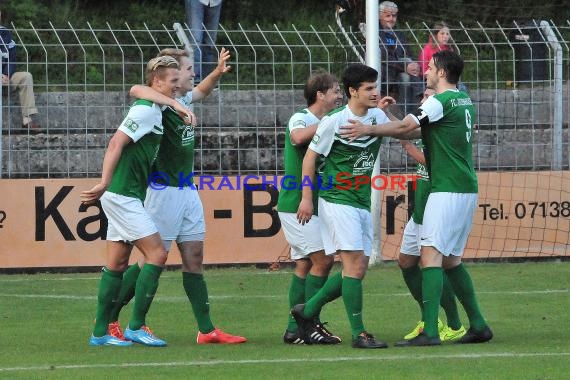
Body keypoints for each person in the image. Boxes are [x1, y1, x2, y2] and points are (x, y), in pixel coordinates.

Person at [339, 50, 493, 346]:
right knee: (449, 260)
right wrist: (387, 118)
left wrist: (368, 127)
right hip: (460, 187)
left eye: (431, 68)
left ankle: (432, 332)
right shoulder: (462, 99)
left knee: (432, 257)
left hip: (446, 189)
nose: (426, 72)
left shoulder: (441, 100)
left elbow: (408, 127)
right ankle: (478, 325)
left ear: (443, 72)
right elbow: (413, 130)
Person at [106, 47, 246, 345]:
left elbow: (201, 91)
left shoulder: (181, 99)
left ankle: (207, 330)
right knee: (151, 259)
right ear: (169, 76)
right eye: (188, 68)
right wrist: (172, 101)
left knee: (194, 257)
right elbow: (136, 88)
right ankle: (115, 320)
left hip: (187, 189)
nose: (192, 73)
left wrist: (217, 73)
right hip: (162, 190)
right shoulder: (155, 103)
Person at [82, 55, 196, 347]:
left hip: (129, 193)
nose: (175, 87)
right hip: (121, 195)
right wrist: (105, 182)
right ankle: (136, 326)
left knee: (118, 263)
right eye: (171, 82)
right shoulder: (146, 111)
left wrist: (171, 102)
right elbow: (116, 143)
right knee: (156, 254)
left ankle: (99, 333)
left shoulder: (155, 107)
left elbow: (138, 89)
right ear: (157, 82)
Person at [292, 63, 392, 349]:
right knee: (352, 263)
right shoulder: (334, 121)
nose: (375, 93)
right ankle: (359, 334)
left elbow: (403, 130)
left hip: (361, 200)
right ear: (352, 91)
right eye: (369, 88)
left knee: (358, 266)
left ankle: (307, 311)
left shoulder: (376, 115)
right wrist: (307, 198)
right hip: (337, 200)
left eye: (376, 87)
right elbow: (310, 159)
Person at [277, 70, 343, 345]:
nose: (339, 96)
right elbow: (297, 138)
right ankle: (309, 321)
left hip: (315, 203)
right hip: (297, 202)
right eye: (336, 91)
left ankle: (295, 330)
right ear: (321, 95)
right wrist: (329, 122)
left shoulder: (328, 122)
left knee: (304, 264)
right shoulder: (302, 117)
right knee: (324, 261)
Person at [395, 88, 466, 343]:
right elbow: (404, 128)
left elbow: (431, 161)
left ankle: (453, 322)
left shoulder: (443, 126)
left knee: (434, 264)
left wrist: (405, 144)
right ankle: (429, 318)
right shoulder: (429, 124)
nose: (424, 101)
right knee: (405, 261)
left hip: (436, 209)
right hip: (420, 210)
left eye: (428, 95)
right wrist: (383, 112)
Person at [377, 1, 423, 115]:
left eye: (394, 15)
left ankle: (418, 100)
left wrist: (414, 65)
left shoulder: (399, 34)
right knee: (405, 78)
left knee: (410, 73)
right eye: (388, 15)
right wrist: (405, 67)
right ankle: (408, 113)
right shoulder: (375, 33)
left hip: (400, 70)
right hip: (386, 73)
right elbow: (384, 57)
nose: (391, 19)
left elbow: (409, 53)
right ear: (379, 15)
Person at [0, 12, 41, 131]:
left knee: (26, 76)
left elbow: (12, 59)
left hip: (4, 79)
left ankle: (27, 120)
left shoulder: (5, 33)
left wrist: (6, 74)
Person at [185, 0, 223, 83]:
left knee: (210, 42)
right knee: (196, 40)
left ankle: (207, 81)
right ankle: (195, 80)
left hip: (216, 2)